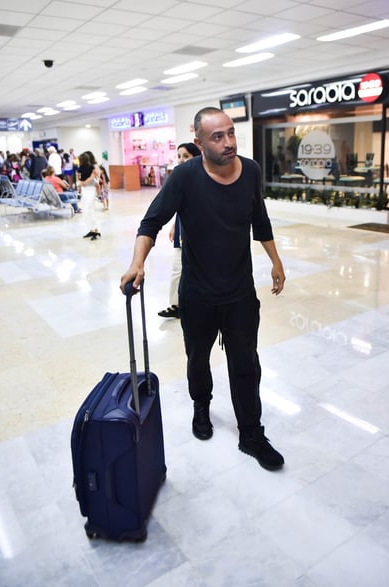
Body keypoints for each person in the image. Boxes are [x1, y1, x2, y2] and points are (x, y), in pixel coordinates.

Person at [120, 107, 286, 471]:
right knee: (198, 359)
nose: (228, 142)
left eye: (230, 133)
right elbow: (150, 223)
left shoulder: (251, 171)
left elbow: (260, 219)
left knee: (246, 365)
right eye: (217, 136)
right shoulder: (184, 178)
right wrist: (137, 263)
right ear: (199, 142)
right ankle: (201, 407)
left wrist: (276, 261)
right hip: (197, 295)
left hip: (240, 293)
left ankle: (251, 434)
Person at [158, 142, 201, 319]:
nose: (181, 160)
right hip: (182, 231)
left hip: (198, 234)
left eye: (186, 156)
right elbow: (177, 206)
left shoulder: (202, 178)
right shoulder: (178, 178)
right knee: (177, 268)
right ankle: (176, 305)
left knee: (196, 269)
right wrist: (175, 225)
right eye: (179, 156)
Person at [77, 151, 101, 240]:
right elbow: (78, 177)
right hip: (85, 189)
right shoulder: (82, 168)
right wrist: (81, 183)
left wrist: (84, 182)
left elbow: (96, 176)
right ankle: (91, 229)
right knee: (86, 210)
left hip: (91, 188)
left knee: (90, 208)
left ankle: (96, 230)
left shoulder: (93, 166)